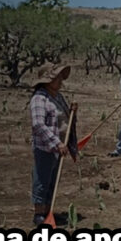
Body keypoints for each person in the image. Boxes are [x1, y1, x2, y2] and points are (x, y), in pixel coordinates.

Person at [30, 63, 78, 226]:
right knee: (42, 180)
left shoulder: (57, 96)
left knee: (52, 180)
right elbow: (38, 125)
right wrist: (57, 143)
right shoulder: (39, 98)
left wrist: (72, 111)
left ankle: (49, 211)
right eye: (56, 78)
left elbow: (65, 117)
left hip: (59, 147)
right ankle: (39, 214)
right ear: (47, 81)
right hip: (46, 147)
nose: (60, 81)